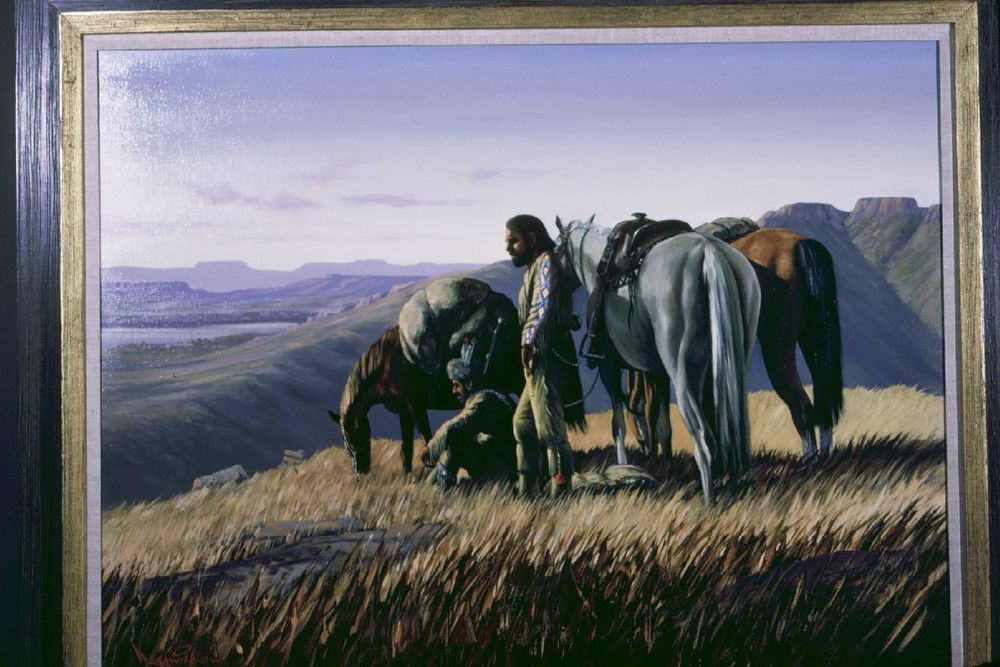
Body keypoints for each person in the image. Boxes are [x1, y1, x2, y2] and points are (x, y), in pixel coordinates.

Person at [504, 214, 587, 498]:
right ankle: (527, 489)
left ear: (531, 239)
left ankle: (561, 492)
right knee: (523, 424)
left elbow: (542, 305)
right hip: (537, 361)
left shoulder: (546, 263)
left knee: (550, 430)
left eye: (513, 241)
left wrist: (527, 341)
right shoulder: (535, 266)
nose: (508, 248)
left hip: (546, 356)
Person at [420, 356, 518, 491]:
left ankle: (439, 492)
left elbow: (453, 427)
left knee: (453, 444)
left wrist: (429, 450)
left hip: (503, 471)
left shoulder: (481, 401)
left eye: (456, 385)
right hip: (504, 464)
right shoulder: (493, 395)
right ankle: (429, 488)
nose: (454, 391)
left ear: (469, 384)